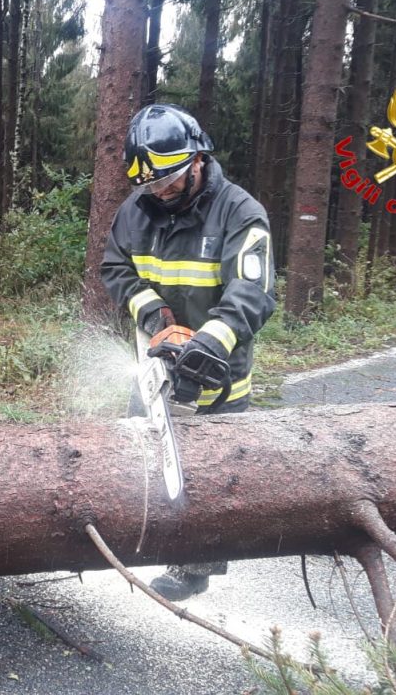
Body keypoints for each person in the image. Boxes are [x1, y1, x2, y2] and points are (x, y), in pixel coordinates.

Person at [100, 103, 277, 600]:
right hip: (157, 369)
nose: (161, 191)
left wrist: (209, 342)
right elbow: (116, 268)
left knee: (216, 480)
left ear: (197, 160)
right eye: (152, 184)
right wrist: (154, 314)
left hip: (219, 371)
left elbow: (254, 290)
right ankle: (140, 541)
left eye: (170, 180)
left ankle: (195, 568)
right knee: (143, 461)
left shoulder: (240, 212)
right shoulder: (135, 213)